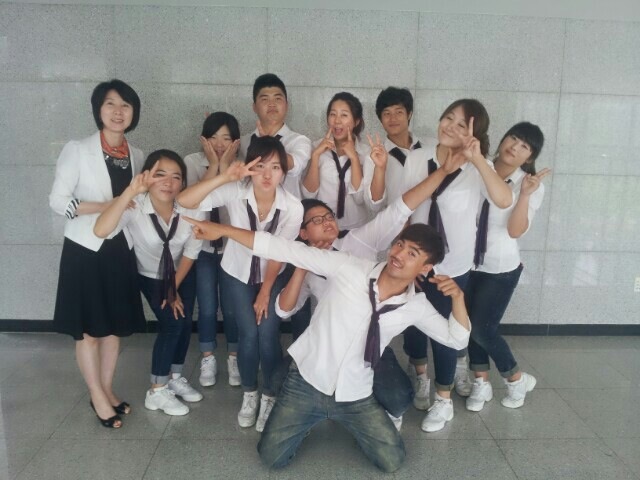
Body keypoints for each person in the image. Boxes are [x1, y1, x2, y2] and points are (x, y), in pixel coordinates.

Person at [183, 218, 470, 473]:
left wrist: (458, 299)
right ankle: (304, 420)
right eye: (399, 244)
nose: (399, 255)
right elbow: (282, 248)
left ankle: (356, 422)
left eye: (412, 254)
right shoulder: (349, 267)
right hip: (306, 381)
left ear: (426, 267)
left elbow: (456, 339)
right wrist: (222, 230)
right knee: (271, 457)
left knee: (392, 461)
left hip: (356, 391)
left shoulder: (417, 306)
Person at [276, 142, 467, 430]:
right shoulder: (304, 265)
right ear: (303, 233)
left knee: (399, 399)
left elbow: (402, 207)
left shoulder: (358, 240)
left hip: (370, 344)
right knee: (275, 381)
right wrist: (303, 265)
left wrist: (443, 172)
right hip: (325, 344)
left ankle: (363, 407)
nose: (327, 223)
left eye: (329, 216)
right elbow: (283, 310)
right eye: (316, 220)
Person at [177, 136, 303, 432]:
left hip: (273, 274)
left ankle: (270, 395)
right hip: (236, 272)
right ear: (249, 167)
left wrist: (266, 291)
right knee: (248, 334)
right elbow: (184, 201)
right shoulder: (235, 191)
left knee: (268, 335)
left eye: (275, 167)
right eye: (260, 166)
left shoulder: (293, 207)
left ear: (284, 172)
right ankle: (250, 393)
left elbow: (280, 253)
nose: (268, 175)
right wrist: (225, 176)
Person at [401, 99, 513, 432]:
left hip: (452, 266)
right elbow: (403, 208)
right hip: (414, 262)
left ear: (475, 132)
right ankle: (420, 377)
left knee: (445, 334)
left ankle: (443, 399)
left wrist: (477, 158)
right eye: (448, 118)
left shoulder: (479, 168)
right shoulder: (417, 158)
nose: (450, 126)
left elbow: (503, 200)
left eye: (462, 124)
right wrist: (401, 258)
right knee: (413, 325)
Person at [49, 79, 146, 429]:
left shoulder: (137, 155)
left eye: (125, 105)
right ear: (98, 110)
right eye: (110, 104)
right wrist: (106, 206)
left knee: (114, 328)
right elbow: (58, 201)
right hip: (84, 251)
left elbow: (137, 204)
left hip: (119, 248)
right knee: (88, 331)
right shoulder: (77, 149)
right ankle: (97, 395)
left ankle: (105, 389)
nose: (118, 111)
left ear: (134, 113)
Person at [94, 150, 205, 416]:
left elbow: (192, 249)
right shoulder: (136, 206)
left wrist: (174, 286)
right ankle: (156, 390)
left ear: (183, 182)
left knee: (184, 323)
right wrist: (129, 193)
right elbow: (101, 230)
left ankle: (175, 377)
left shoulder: (191, 206)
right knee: (172, 325)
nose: (168, 182)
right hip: (150, 275)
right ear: (146, 177)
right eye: (160, 175)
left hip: (182, 271)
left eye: (176, 177)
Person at [464, 122, 550, 411]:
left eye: (525, 146)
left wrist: (523, 195)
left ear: (530, 156)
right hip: (465, 262)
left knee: (483, 330)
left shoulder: (531, 184)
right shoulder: (477, 166)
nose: (515, 146)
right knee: (468, 327)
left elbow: (515, 231)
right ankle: (480, 383)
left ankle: (515, 379)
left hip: (500, 269)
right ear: (503, 139)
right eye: (513, 138)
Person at [184, 112, 242, 388]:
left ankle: (233, 356)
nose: (219, 144)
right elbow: (193, 200)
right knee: (207, 307)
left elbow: (236, 203)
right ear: (204, 140)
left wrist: (226, 166)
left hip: (233, 248)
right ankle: (208, 357)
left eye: (226, 138)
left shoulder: (242, 166)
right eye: (214, 138)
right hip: (203, 249)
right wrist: (214, 166)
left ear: (236, 142)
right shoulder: (191, 162)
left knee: (231, 309)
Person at [302, 92, 386, 230]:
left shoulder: (366, 153)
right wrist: (316, 156)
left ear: (356, 121)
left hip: (356, 229)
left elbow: (359, 198)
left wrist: (354, 158)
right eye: (333, 114)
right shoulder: (316, 148)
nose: (337, 121)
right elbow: (308, 194)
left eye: (344, 115)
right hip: (322, 229)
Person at [239, 73, 312, 199]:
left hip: (288, 210)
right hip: (249, 210)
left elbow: (295, 166)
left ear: (287, 105)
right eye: (265, 99)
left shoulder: (300, 141)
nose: (272, 104)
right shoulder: (242, 143)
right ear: (254, 107)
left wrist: (268, 144)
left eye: (278, 99)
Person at [375, 86, 424, 203]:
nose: (393, 118)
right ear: (381, 119)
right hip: (396, 215)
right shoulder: (374, 157)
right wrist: (380, 168)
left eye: (399, 112)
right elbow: (373, 206)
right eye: (387, 113)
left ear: (409, 114)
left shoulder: (429, 147)